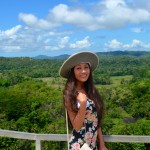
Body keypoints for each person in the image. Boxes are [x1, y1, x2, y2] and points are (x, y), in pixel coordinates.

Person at [59, 51, 107, 150]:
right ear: (73, 72)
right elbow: (76, 126)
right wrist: (83, 103)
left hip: (93, 146)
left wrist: (102, 144)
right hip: (79, 146)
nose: (84, 71)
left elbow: (96, 120)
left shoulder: (91, 91)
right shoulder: (69, 94)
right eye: (78, 68)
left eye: (86, 67)